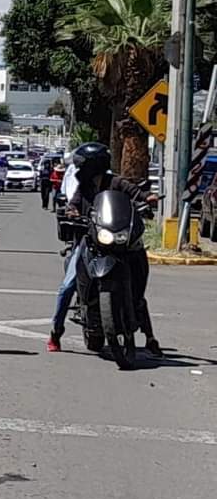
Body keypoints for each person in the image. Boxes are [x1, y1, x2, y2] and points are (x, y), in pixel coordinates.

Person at [62, 142, 162, 356]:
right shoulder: (85, 186)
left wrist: (147, 199)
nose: (79, 170)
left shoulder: (116, 182)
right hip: (92, 239)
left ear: (94, 165)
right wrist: (71, 211)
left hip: (118, 239)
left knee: (137, 271)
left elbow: (135, 193)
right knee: (68, 284)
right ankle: (55, 330)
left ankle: (150, 335)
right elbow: (74, 203)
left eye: (83, 166)